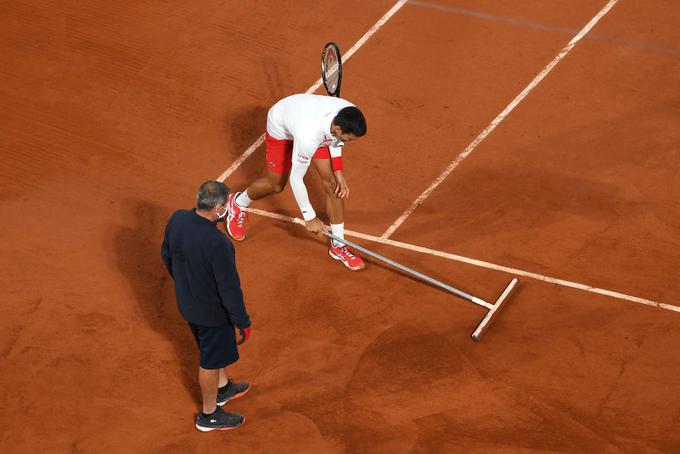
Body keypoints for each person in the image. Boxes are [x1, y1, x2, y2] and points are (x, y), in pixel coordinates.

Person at [225, 93, 367, 271]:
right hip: (282, 126)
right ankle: (238, 202)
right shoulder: (309, 136)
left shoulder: (348, 112)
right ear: (338, 129)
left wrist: (338, 171)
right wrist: (309, 216)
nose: (351, 142)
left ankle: (338, 246)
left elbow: (336, 142)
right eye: (350, 139)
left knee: (332, 184)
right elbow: (296, 178)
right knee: (276, 184)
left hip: (304, 119)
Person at [161, 180, 252, 432]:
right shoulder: (218, 243)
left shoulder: (178, 219)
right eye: (226, 206)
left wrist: (186, 285)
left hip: (187, 304)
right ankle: (209, 416)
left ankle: (223, 389)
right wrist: (242, 321)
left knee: (214, 352)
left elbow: (166, 255)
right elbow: (229, 289)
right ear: (218, 210)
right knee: (209, 362)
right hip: (211, 315)